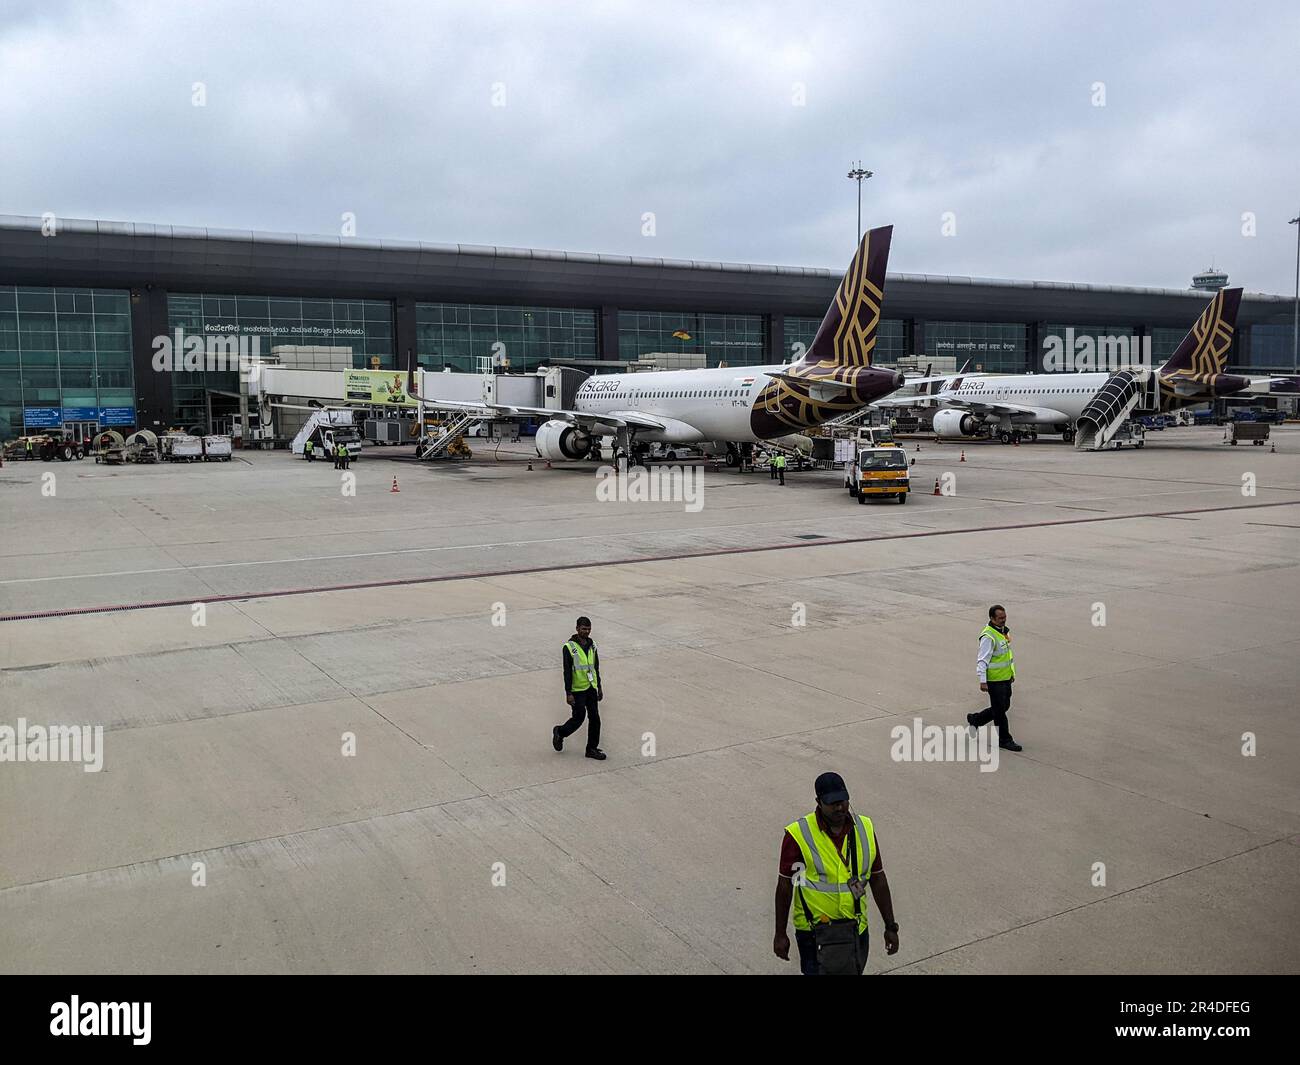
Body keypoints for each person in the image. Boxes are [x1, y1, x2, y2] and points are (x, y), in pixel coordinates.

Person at [774, 772, 898, 975]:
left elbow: (878, 878)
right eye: (832, 803)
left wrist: (890, 926)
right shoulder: (798, 834)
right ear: (818, 802)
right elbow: (785, 886)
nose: (839, 808)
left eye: (842, 801)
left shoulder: (865, 828)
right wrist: (780, 934)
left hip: (856, 929)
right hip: (813, 932)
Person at [968, 604, 1022, 751]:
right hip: (994, 681)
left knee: (1004, 706)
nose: (1003, 620)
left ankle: (976, 719)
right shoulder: (988, 636)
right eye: (1000, 618)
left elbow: (1005, 656)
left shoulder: (1003, 631)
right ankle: (1004, 739)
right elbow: (982, 660)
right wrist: (983, 680)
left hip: (1005, 678)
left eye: (1005, 617)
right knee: (1000, 712)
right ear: (992, 618)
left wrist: (1011, 674)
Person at [552, 615, 606, 760]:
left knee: (595, 718)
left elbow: (596, 667)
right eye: (583, 629)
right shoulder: (569, 647)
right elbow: (567, 672)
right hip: (577, 690)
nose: (586, 632)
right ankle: (560, 732)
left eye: (588, 629)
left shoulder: (592, 645)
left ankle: (591, 749)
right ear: (577, 629)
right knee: (579, 718)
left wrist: (599, 686)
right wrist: (568, 693)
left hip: (590, 687)